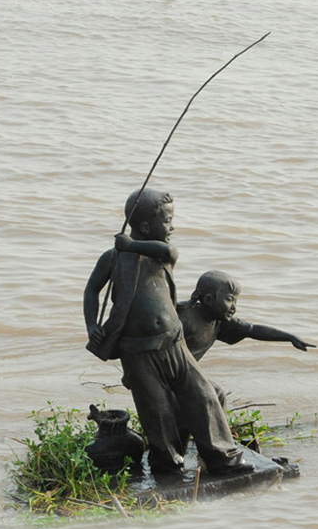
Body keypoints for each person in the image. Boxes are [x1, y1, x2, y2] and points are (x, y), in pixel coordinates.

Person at [83, 188, 252, 476]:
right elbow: (91, 290)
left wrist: (130, 245)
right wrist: (92, 326)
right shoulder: (112, 259)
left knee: (203, 396)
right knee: (156, 410)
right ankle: (168, 462)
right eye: (167, 221)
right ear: (147, 226)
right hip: (136, 351)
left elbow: (169, 250)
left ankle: (223, 457)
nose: (172, 227)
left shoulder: (161, 255)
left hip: (174, 343)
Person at [178, 270, 315, 407]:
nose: (234, 307)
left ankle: (217, 428)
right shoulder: (184, 319)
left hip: (186, 375)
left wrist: (290, 337)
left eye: (235, 301)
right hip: (167, 374)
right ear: (208, 299)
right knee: (214, 392)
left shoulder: (219, 323)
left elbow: (252, 330)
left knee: (216, 394)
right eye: (229, 299)